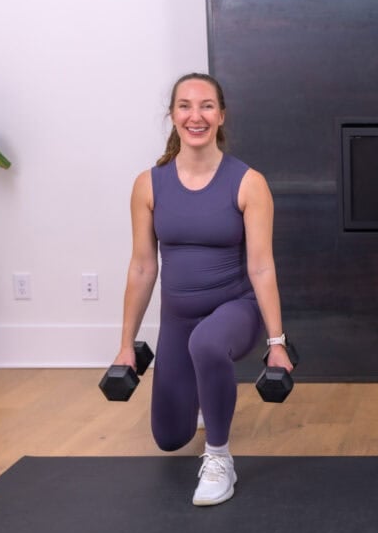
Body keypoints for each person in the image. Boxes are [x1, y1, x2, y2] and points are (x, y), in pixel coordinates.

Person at [112, 72, 292, 506]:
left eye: (207, 105)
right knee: (170, 437)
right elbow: (141, 266)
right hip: (178, 318)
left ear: (221, 115)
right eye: (186, 106)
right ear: (172, 115)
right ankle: (200, 394)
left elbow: (262, 265)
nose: (197, 115)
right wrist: (124, 345)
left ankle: (219, 458)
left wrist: (277, 342)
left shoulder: (249, 182)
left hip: (236, 309)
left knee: (208, 343)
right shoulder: (148, 185)